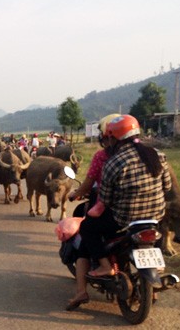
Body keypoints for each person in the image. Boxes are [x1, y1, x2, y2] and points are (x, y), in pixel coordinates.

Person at [67, 114, 171, 310]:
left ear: (114, 138)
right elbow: (166, 187)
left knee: (88, 227)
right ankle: (156, 269)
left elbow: (104, 200)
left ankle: (105, 266)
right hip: (155, 215)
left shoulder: (114, 161)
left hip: (124, 219)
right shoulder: (157, 154)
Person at [65, 113, 119, 310]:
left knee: (85, 240)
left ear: (107, 136)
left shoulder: (104, 157)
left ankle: (81, 291)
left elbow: (89, 183)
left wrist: (77, 193)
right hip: (144, 215)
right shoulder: (148, 154)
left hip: (111, 213)